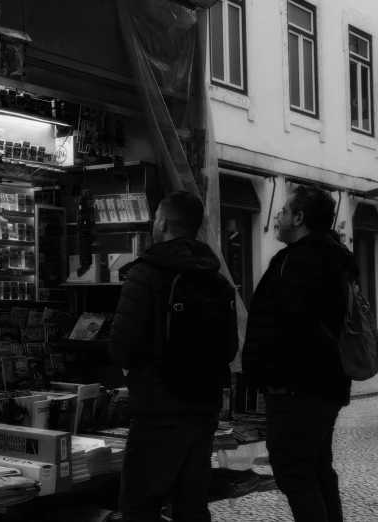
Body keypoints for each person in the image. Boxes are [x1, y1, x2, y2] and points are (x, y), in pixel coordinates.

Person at [110, 190, 238, 522]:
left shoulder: (145, 272)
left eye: (156, 218)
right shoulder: (216, 277)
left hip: (158, 410)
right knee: (192, 503)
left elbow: (122, 347)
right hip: (203, 409)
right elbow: (229, 349)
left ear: (163, 222)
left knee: (140, 504)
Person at [242, 185, 356, 522]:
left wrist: (274, 378)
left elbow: (294, 328)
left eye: (284, 211)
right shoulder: (330, 255)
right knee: (318, 471)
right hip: (322, 385)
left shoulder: (304, 259)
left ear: (300, 218)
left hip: (300, 389)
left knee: (294, 472)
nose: (277, 217)